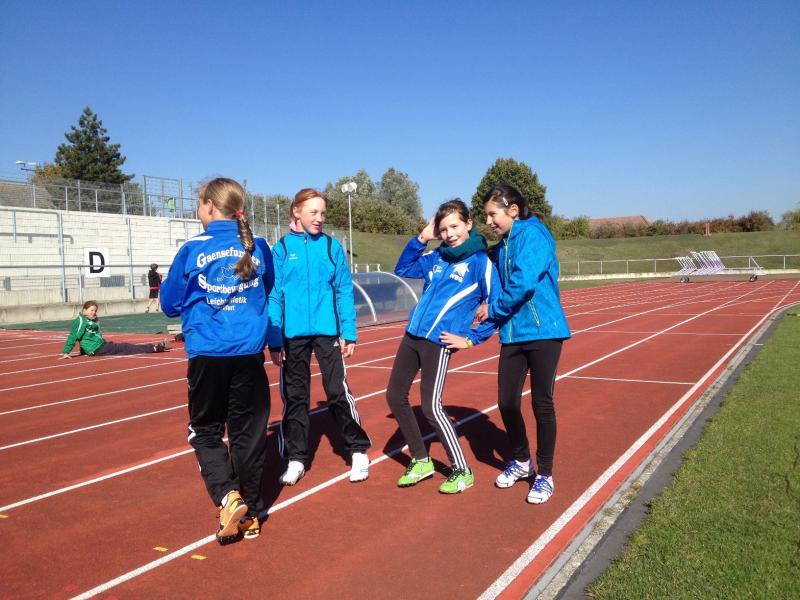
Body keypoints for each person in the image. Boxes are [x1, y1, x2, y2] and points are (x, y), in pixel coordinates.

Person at [161, 177, 276, 544]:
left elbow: (169, 305)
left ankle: (229, 497)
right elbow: (267, 288)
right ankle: (251, 515)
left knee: (205, 431)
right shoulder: (259, 246)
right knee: (248, 435)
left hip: (208, 354)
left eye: (199, 204)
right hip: (248, 354)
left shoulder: (193, 248)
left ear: (209, 206)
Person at [388, 199, 500, 493]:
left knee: (431, 407)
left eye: (455, 226)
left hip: (439, 341)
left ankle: (462, 470)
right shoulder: (437, 256)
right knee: (395, 396)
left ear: (468, 224)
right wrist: (422, 238)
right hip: (413, 335)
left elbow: (498, 305)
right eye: (444, 228)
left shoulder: (480, 262)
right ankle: (421, 460)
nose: (450, 234)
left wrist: (471, 338)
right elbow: (404, 268)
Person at [475, 184, 571, 504]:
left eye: (492, 214)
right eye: (485, 215)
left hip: (544, 332)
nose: (488, 221)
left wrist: (493, 310)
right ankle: (521, 460)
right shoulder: (502, 245)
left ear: (513, 210)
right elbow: (478, 259)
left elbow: (523, 283)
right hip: (513, 334)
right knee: (506, 402)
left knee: (542, 403)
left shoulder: (534, 235)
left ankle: (544, 474)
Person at [268, 188, 371, 486]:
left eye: (323, 213)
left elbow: (343, 290)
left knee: (337, 391)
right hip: (292, 336)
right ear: (296, 212)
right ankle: (297, 458)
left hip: (327, 332)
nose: (319, 218)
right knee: (295, 397)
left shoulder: (331, 247)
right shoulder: (282, 249)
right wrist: (274, 339)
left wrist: (348, 332)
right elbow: (274, 294)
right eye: (313, 212)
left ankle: (357, 450)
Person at [59, 300, 168, 359]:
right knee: (126, 347)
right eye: (91, 310)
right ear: (84, 310)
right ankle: (153, 348)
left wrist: (83, 351)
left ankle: (153, 347)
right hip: (97, 348)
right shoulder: (81, 320)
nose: (94, 312)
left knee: (124, 347)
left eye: (95, 311)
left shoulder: (88, 320)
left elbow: (85, 336)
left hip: (100, 346)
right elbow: (74, 336)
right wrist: (66, 352)